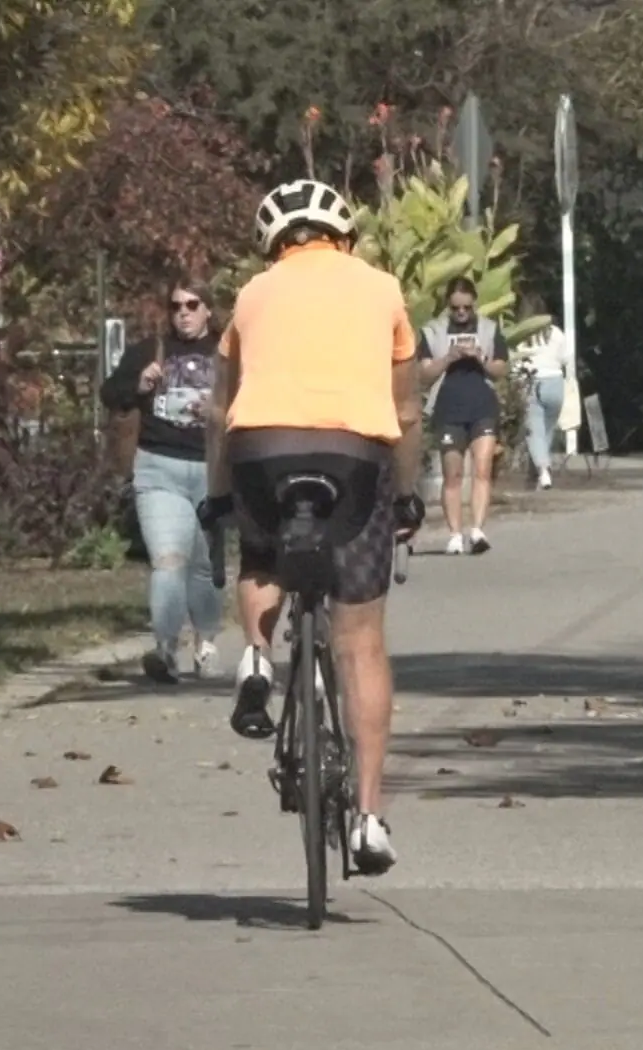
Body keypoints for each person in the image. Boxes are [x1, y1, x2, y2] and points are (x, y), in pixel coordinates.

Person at [200, 179, 425, 875]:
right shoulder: (384, 289)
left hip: (263, 452)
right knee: (360, 641)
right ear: (344, 235)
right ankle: (367, 816)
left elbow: (218, 408)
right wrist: (410, 495)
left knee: (262, 552)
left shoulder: (250, 296)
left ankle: (258, 657)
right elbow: (409, 412)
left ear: (275, 242)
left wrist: (218, 494)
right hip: (355, 457)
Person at [98, 279, 225, 684]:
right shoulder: (149, 351)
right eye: (175, 306)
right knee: (167, 560)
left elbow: (255, 398)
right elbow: (109, 393)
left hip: (212, 468)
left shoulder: (228, 353)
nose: (183, 313)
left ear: (209, 309)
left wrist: (220, 409)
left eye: (192, 304)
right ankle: (165, 649)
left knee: (202, 566)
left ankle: (205, 642)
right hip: (158, 467)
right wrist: (137, 385)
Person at [416, 276, 508, 553]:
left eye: (466, 308)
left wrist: (480, 357)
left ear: (474, 305)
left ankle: (478, 531)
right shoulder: (433, 332)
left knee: (482, 469)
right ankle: (455, 534)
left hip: (483, 406)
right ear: (448, 306)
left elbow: (501, 370)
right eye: (456, 308)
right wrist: (449, 358)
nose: (461, 314)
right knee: (452, 475)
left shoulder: (490, 330)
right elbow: (423, 375)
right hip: (448, 408)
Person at [513, 293, 572, 491]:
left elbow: (515, 361)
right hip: (555, 381)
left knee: (534, 431)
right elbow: (566, 358)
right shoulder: (555, 332)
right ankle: (538, 475)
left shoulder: (521, 334)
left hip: (533, 381)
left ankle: (543, 470)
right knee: (547, 431)